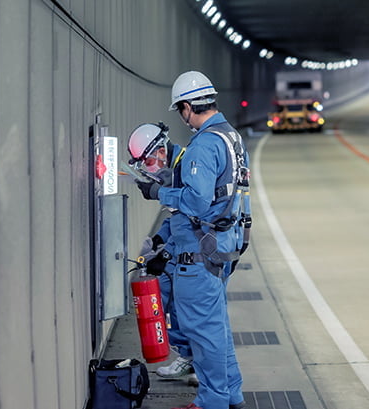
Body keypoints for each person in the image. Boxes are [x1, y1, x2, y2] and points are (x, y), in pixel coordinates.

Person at [135, 71, 248, 409]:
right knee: (217, 329)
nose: (182, 118)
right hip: (222, 246)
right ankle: (231, 395)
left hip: (201, 254)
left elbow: (198, 203)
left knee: (203, 332)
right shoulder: (231, 137)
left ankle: (212, 402)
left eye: (180, 111)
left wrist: (158, 191)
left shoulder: (204, 143)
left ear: (187, 107)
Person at [127, 122, 197, 384]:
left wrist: (164, 257)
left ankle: (196, 362)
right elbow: (176, 218)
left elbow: (193, 218)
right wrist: (158, 238)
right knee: (169, 293)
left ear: (159, 151)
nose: (147, 169)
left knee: (180, 300)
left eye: (146, 162)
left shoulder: (187, 167)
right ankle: (189, 358)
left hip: (197, 249)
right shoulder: (173, 170)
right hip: (184, 246)